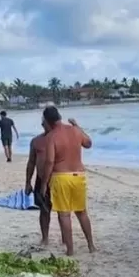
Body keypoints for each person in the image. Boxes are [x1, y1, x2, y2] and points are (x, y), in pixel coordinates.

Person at [40, 106, 96, 256]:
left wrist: (44, 183)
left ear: (47, 121)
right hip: (79, 175)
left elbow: (50, 161)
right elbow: (89, 143)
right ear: (59, 116)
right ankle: (91, 245)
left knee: (64, 214)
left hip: (61, 176)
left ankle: (70, 250)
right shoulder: (75, 130)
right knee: (82, 212)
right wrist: (77, 125)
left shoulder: (51, 136)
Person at [25, 118, 64, 247]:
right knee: (44, 210)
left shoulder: (60, 139)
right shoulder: (36, 141)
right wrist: (28, 182)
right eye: (42, 122)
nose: (42, 124)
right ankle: (45, 237)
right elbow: (31, 162)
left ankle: (65, 237)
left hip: (58, 178)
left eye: (44, 121)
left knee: (62, 210)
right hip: (41, 178)